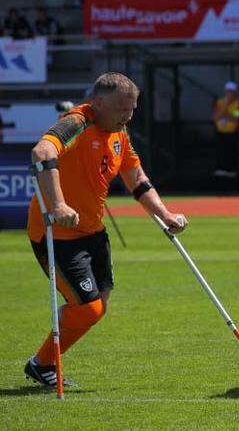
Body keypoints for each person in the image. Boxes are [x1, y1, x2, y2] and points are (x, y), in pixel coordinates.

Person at [24, 72, 187, 387]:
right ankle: (44, 360)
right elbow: (42, 153)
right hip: (57, 235)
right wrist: (58, 206)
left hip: (93, 232)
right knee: (88, 309)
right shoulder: (76, 122)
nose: (127, 117)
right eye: (121, 110)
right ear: (97, 102)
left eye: (132, 110)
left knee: (99, 306)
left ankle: (42, 364)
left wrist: (165, 214)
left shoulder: (119, 133)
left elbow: (136, 180)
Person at [212, 81, 239, 178]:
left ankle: (232, 170)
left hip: (232, 133)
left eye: (231, 91)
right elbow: (216, 117)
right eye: (227, 91)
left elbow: (236, 118)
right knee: (220, 152)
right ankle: (220, 170)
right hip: (220, 132)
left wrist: (224, 115)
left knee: (231, 153)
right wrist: (225, 105)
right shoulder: (219, 102)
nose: (229, 94)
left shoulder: (238, 103)